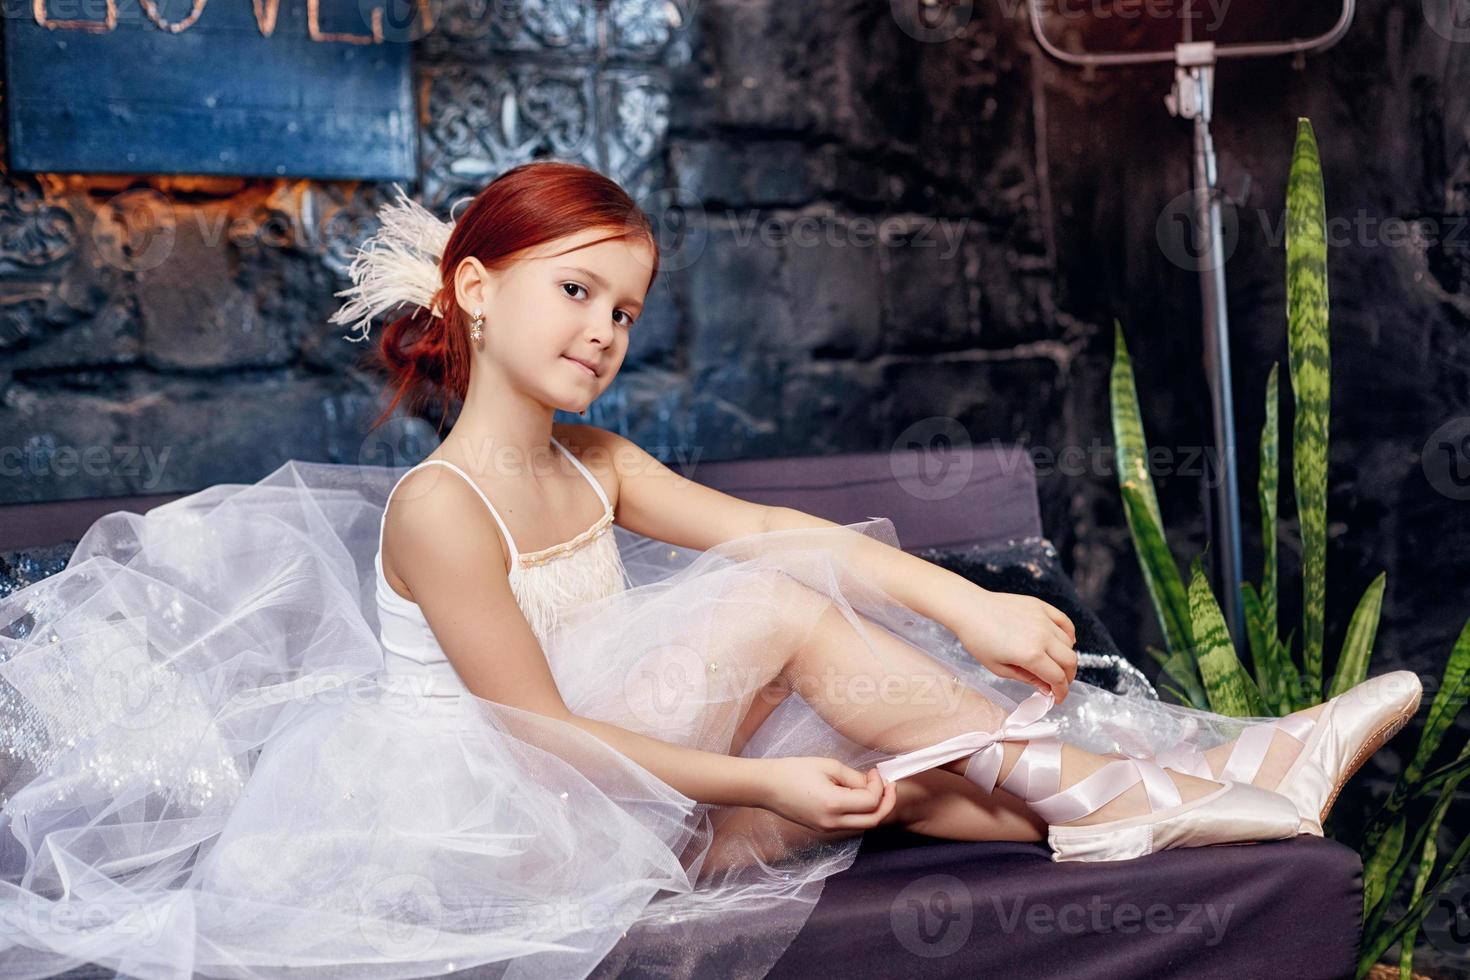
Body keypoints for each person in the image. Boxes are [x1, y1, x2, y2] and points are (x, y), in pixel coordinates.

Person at [0, 160, 1422, 980]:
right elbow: (533, 730)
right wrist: (754, 783)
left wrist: (966, 599)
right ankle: (1196, 779)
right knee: (773, 628)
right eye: (575, 292)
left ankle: (1201, 791)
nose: (605, 330)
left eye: (624, 309)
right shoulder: (440, 509)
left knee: (895, 755)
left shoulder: (597, 461)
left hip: (630, 801)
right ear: (475, 293)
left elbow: (772, 528)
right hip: (496, 832)